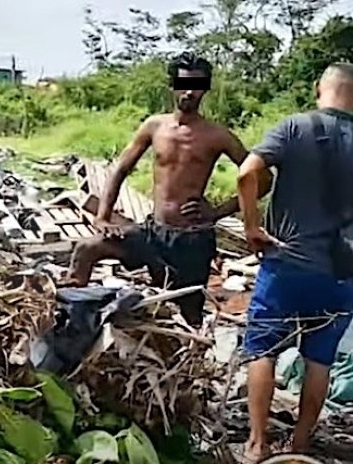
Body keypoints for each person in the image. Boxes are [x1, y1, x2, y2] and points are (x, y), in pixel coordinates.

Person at [66, 52, 272, 327]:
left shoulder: (217, 135)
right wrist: (102, 216)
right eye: (183, 84)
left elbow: (264, 179)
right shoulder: (154, 126)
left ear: (205, 89)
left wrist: (217, 212)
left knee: (189, 314)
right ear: (172, 86)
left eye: (197, 86)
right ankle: (69, 323)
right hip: (153, 233)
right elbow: (120, 169)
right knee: (86, 249)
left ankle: (189, 361)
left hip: (192, 241)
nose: (189, 92)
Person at [237, 62, 353, 461]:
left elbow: (246, 174)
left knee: (262, 349)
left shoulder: (293, 127)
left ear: (319, 87)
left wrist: (252, 226)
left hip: (285, 266)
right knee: (320, 359)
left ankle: (256, 444)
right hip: (341, 273)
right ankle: (300, 443)